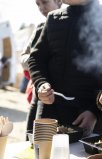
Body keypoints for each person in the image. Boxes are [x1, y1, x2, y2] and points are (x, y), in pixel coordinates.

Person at [27, 0, 102, 136]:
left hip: (87, 116)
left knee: (83, 157)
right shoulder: (54, 17)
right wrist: (41, 84)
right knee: (42, 156)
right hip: (50, 109)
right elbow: (36, 58)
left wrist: (95, 112)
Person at [20, 0, 62, 133]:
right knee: (32, 137)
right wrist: (38, 61)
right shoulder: (39, 28)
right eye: (38, 4)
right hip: (38, 95)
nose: (41, 8)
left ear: (59, 1)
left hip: (62, 99)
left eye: (44, 2)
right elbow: (24, 58)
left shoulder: (69, 26)